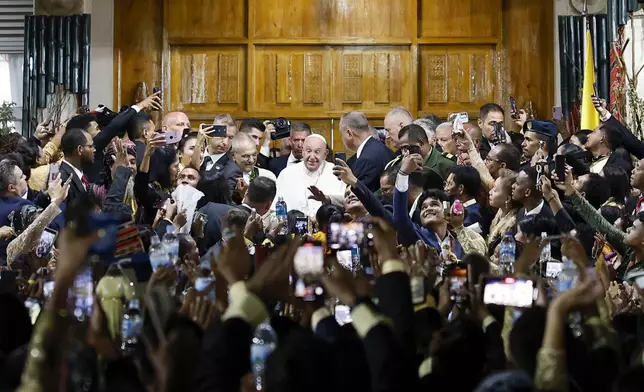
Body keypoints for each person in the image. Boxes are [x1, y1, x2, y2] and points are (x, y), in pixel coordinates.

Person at [274, 134, 345, 219]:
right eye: (308, 151)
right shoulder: (286, 174)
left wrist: (327, 199)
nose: (312, 156)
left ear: (325, 154)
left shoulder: (336, 172)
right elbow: (275, 209)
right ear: (303, 152)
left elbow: (346, 203)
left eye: (317, 152)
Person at [339, 111, 394, 192]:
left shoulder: (365, 159)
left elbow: (360, 198)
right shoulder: (383, 149)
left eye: (341, 134)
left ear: (349, 133)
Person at [387, 123, 455, 181]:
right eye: (402, 148)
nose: (404, 153)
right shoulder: (399, 164)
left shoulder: (446, 165)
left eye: (406, 147)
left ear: (420, 143)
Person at [223, 133, 276, 202]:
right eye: (246, 156)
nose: (251, 160)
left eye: (254, 155)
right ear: (233, 156)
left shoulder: (267, 176)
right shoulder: (225, 177)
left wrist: (245, 196)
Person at [444, 166, 491, 236]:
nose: (446, 188)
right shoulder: (470, 208)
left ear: (461, 188)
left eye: (450, 184)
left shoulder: (473, 216)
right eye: (446, 183)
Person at [59, 128, 96, 205]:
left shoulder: (82, 175)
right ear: (80, 149)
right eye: (90, 146)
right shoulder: (62, 179)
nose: (94, 150)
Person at [194, 114, 237, 179]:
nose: (226, 143)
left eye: (231, 138)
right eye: (223, 136)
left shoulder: (232, 168)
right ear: (212, 131)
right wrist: (198, 143)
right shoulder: (192, 154)